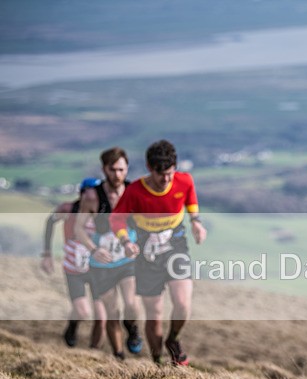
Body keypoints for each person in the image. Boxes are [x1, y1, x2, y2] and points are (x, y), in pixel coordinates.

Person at [110, 139, 207, 366]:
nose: (166, 180)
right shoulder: (135, 191)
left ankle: (173, 340)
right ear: (149, 168)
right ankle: (157, 362)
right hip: (146, 256)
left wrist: (196, 222)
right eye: (160, 174)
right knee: (155, 314)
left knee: (183, 304)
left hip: (176, 248)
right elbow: (116, 219)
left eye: (170, 174)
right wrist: (125, 241)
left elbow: (190, 198)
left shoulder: (184, 181)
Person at [74, 147, 143, 361]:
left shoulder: (135, 192)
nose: (117, 175)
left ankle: (132, 329)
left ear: (127, 168)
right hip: (102, 263)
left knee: (131, 305)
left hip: (127, 259)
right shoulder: (92, 197)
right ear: (104, 169)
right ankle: (119, 357)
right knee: (112, 312)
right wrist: (94, 249)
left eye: (121, 169)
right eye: (113, 170)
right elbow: (78, 229)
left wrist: (140, 242)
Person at [40, 177, 107, 348]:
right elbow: (50, 222)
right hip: (73, 268)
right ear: (82, 194)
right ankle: (72, 327)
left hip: (97, 269)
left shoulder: (104, 212)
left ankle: (94, 353)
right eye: (90, 194)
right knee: (83, 312)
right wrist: (47, 254)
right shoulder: (67, 209)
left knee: (102, 317)